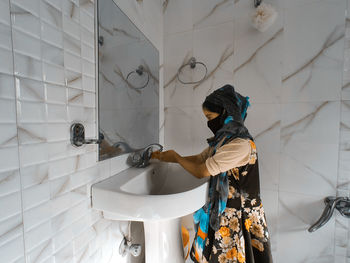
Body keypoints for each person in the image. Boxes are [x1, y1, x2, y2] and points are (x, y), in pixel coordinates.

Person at [151, 84, 273, 263]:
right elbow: (200, 160)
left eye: (210, 117)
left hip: (240, 217)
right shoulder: (223, 140)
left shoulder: (240, 145)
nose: (208, 123)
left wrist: (176, 158)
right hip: (227, 211)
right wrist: (163, 157)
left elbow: (202, 170)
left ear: (226, 113)